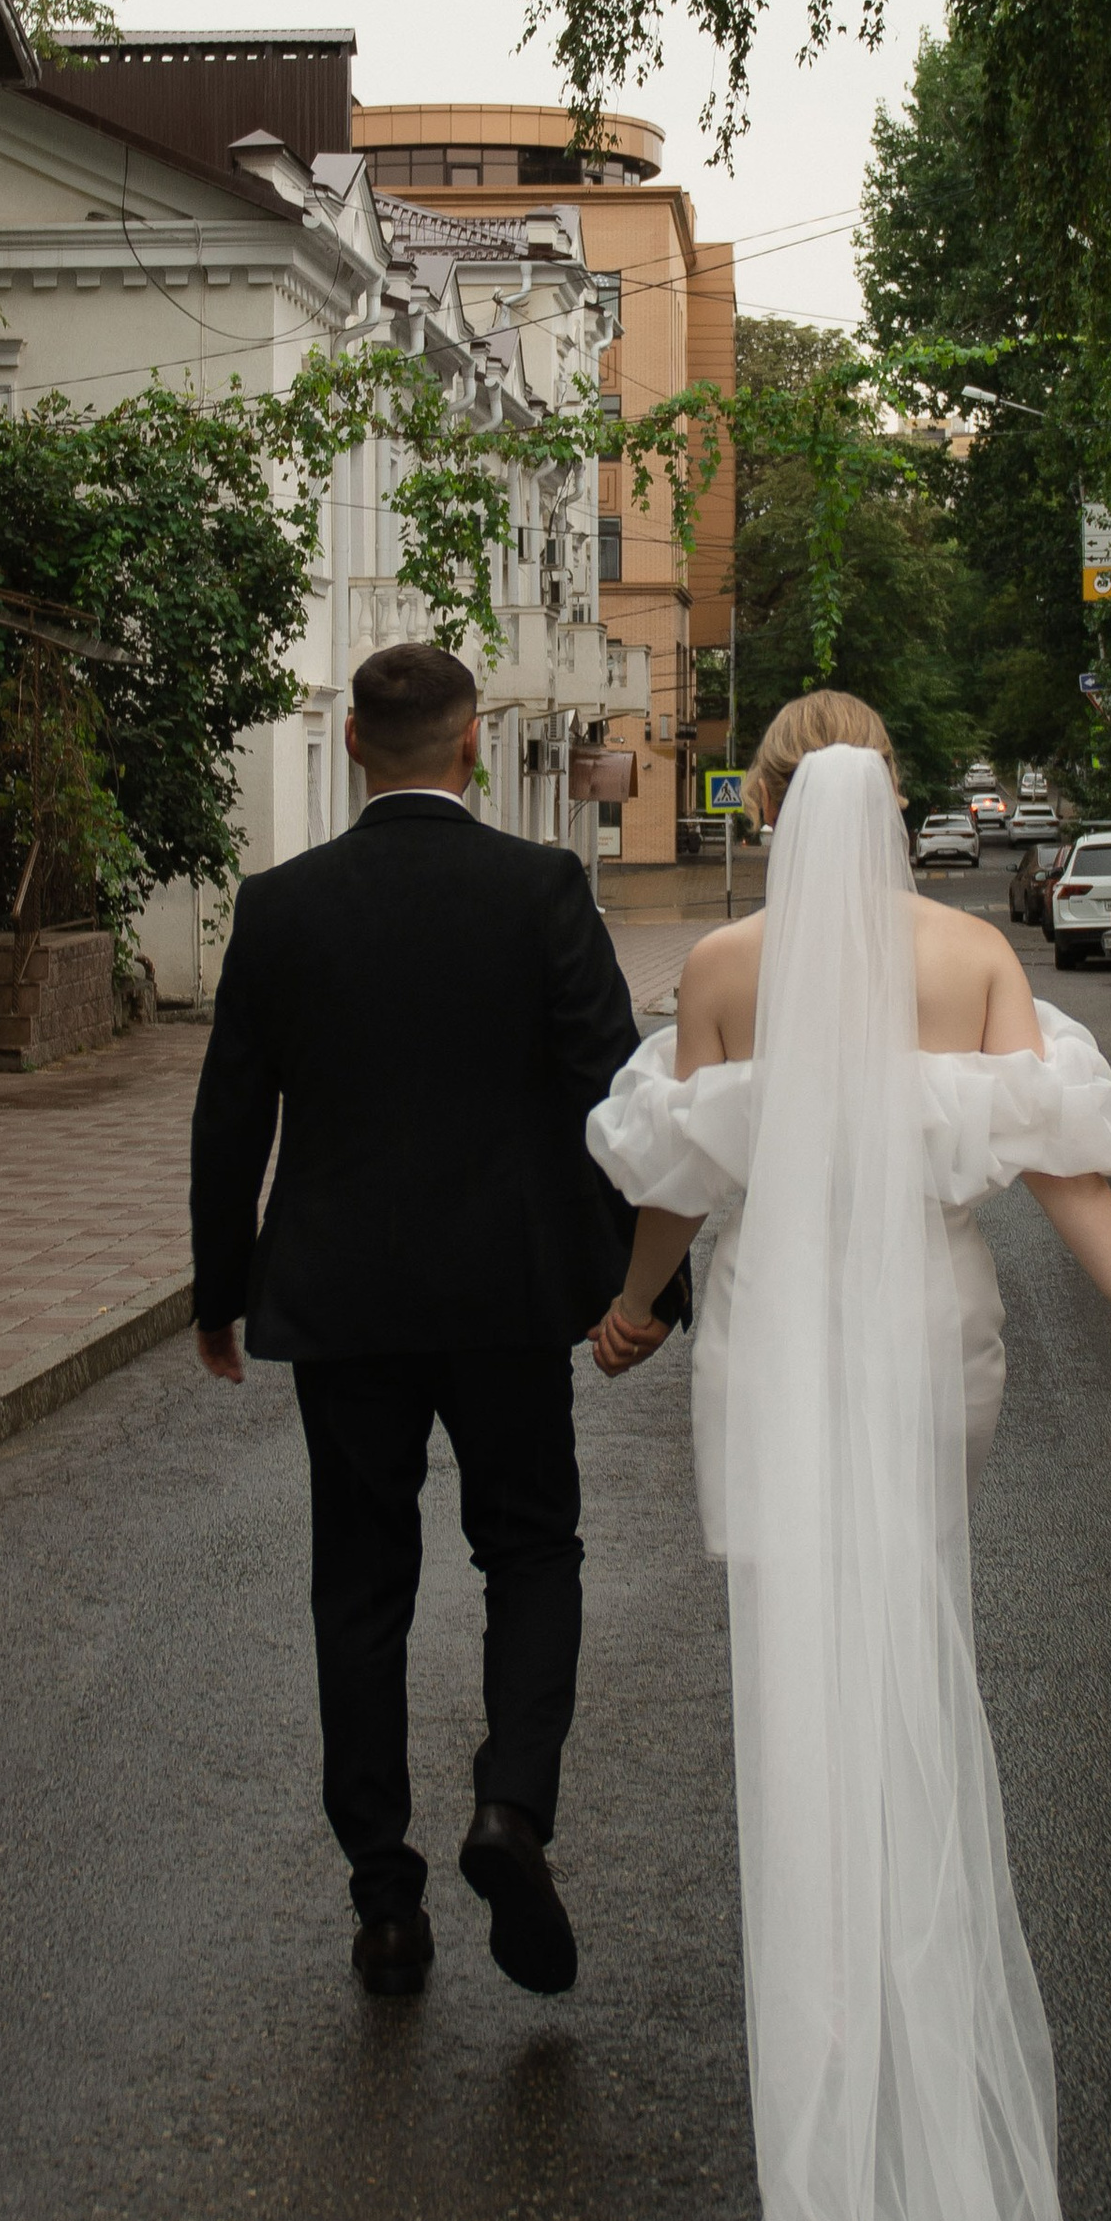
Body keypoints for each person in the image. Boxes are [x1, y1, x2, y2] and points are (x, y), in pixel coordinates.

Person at [584, 692, 1111, 2221]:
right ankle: (928, 2090)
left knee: (804, 1681)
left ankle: (836, 2165)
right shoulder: (972, 957)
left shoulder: (721, 966)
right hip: (936, 1342)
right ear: (897, 804)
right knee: (914, 1621)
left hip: (778, 1350)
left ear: (770, 804)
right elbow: (1065, 1167)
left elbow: (681, 1187)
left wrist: (633, 1315)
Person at [188, 640, 658, 2006]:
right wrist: (643, 1286)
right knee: (529, 1549)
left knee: (361, 1580)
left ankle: (383, 1899)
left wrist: (222, 1291)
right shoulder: (541, 889)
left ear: (349, 746)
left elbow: (233, 1116)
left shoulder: (280, 906)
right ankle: (511, 1808)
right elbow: (610, 1091)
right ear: (468, 749)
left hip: (340, 1302)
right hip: (510, 1296)